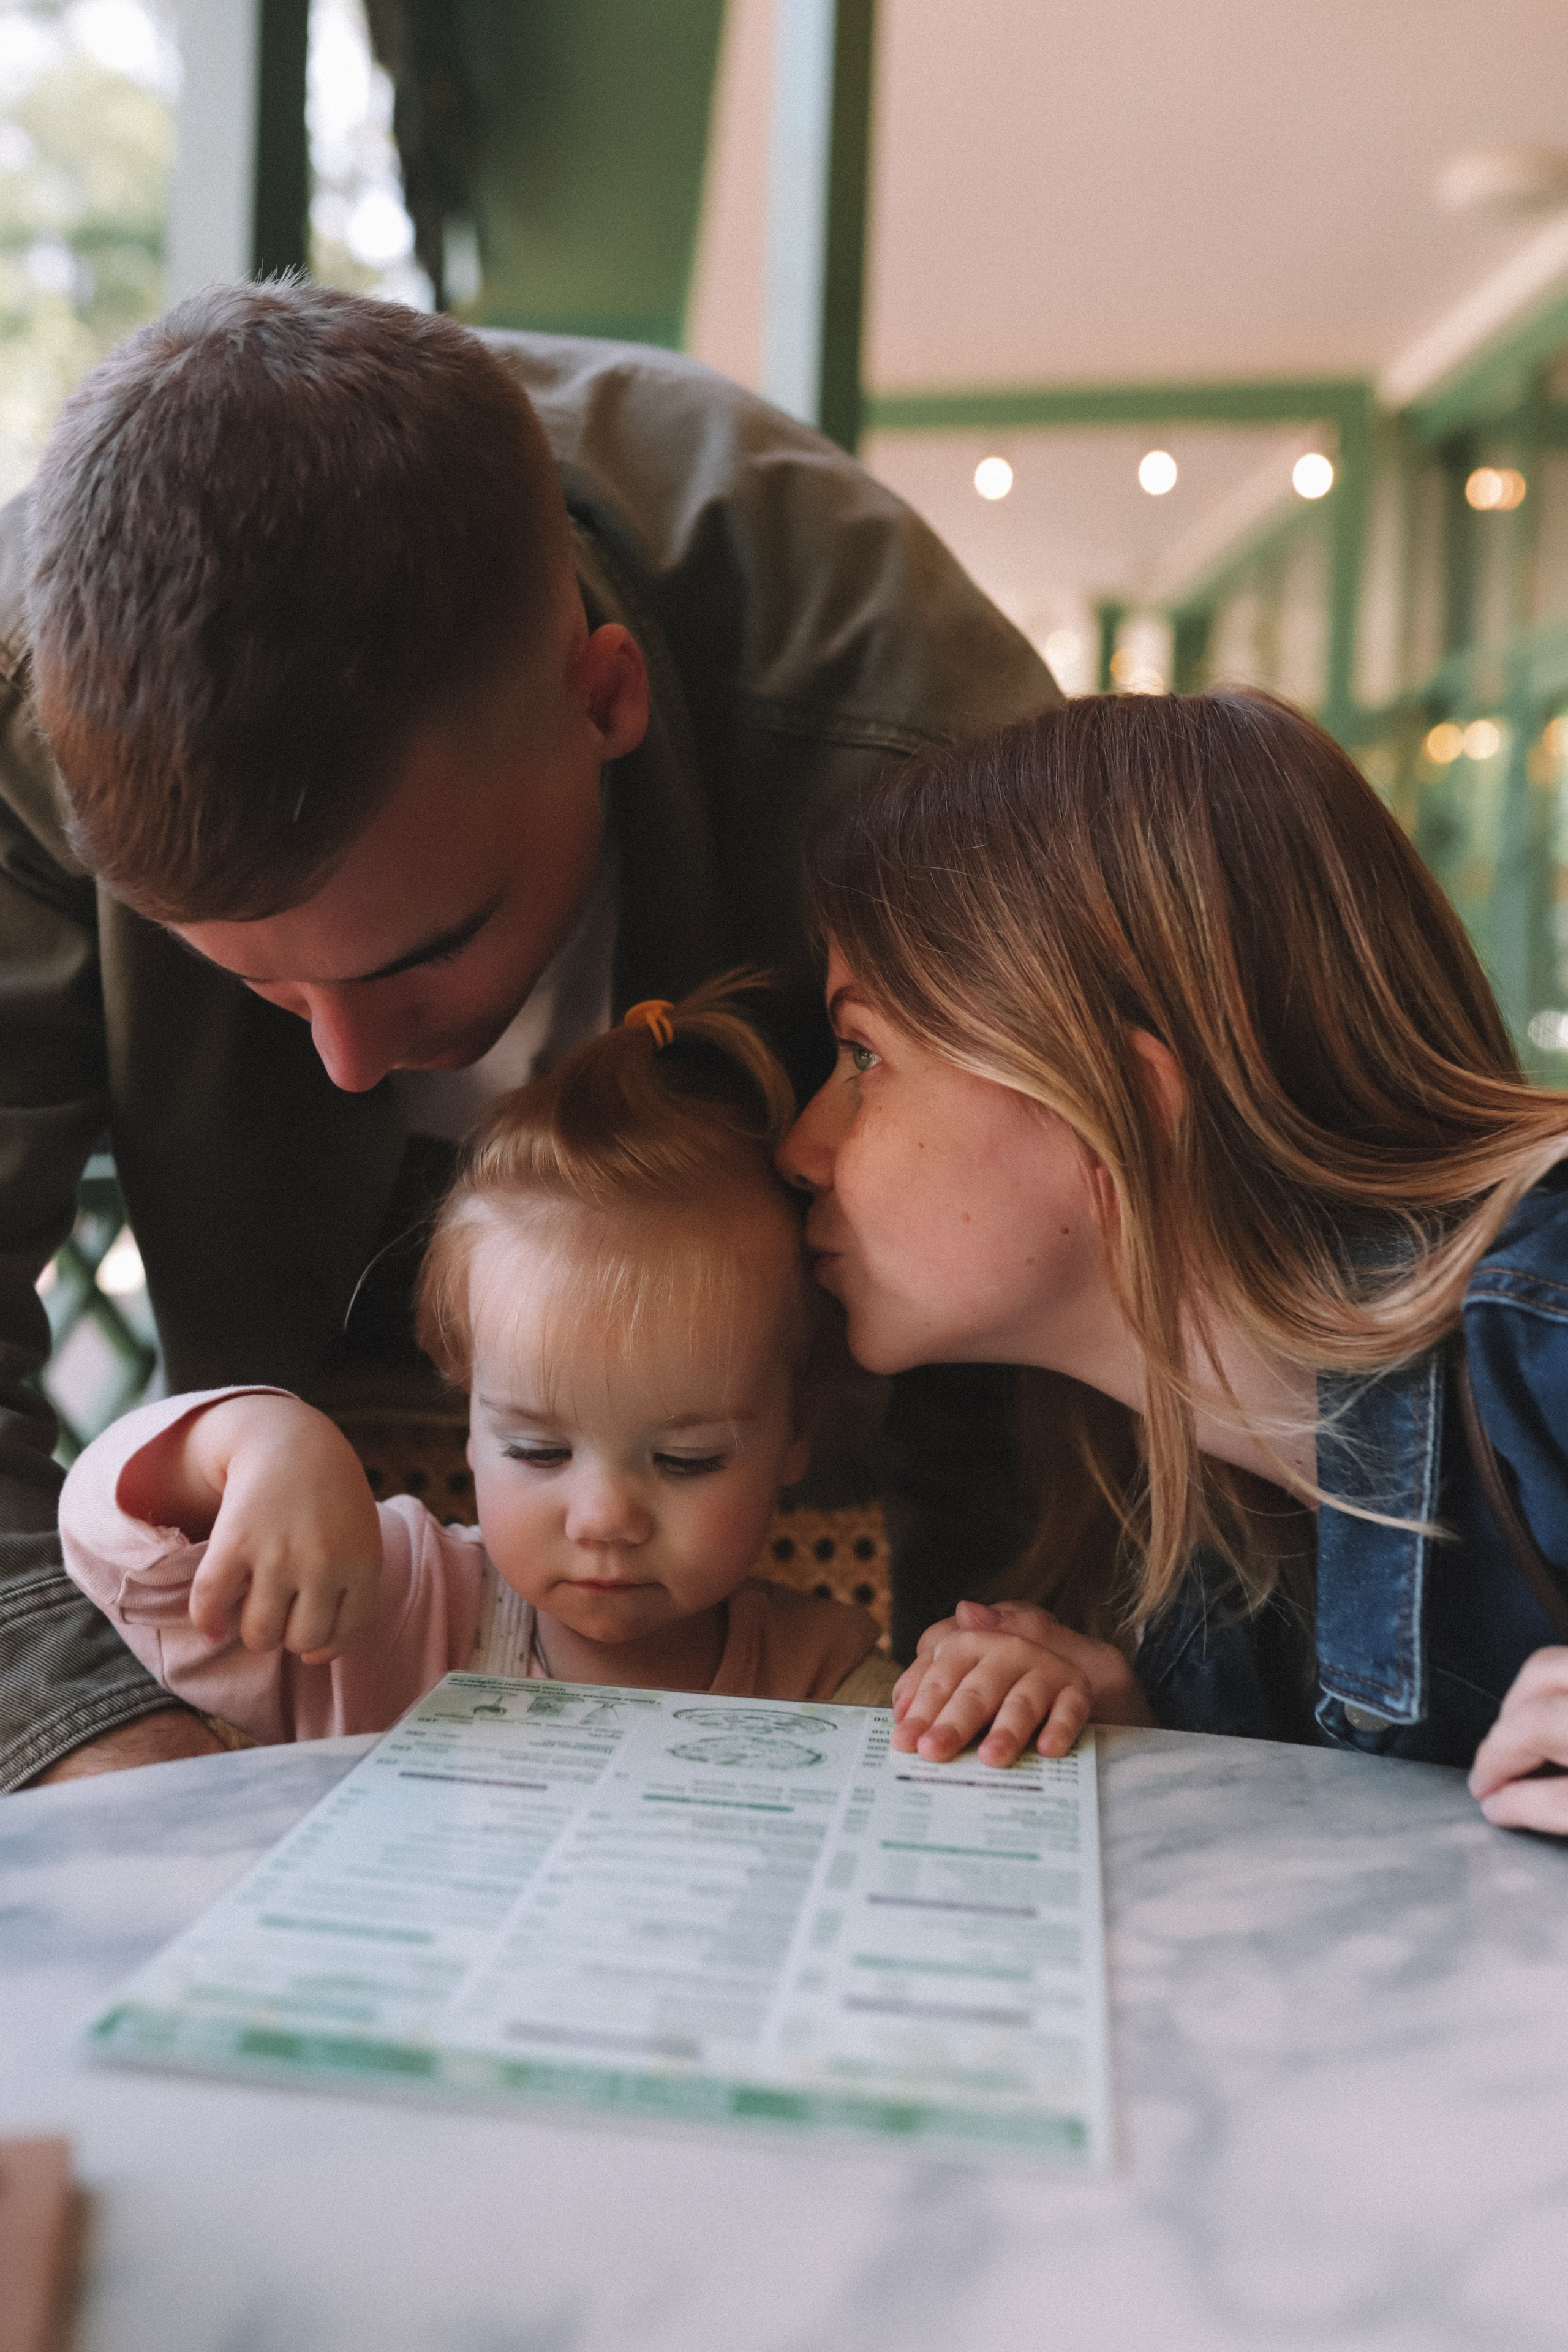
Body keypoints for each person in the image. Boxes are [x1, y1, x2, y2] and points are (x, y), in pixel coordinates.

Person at [0, 279, 1055, 1789]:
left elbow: (1058, 1303)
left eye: (423, 949)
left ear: (603, 696)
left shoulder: (908, 740)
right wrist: (94, 1744)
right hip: (285, 1528)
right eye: (252, 984)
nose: (350, 1062)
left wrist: (1004, 1667)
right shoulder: (20, 736)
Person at [778, 690, 1568, 1831]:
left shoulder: (1542, 1323)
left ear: (1123, 1104)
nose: (802, 1148)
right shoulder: (1197, 1544)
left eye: (863, 1053)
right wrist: (1150, 1737)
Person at [58, 987, 903, 1736]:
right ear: (469, 1414)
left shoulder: (822, 1680)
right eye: (538, 1450)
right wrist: (255, 1441)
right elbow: (114, 1557)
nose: (604, 1518)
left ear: (799, 1427)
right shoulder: (388, 1615)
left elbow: (961, 1790)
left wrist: (1007, 1689)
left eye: (686, 1460)